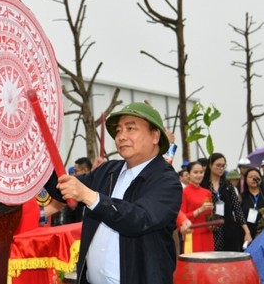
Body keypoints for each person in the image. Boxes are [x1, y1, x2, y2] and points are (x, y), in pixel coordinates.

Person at [45, 102, 181, 284]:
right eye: (118, 131)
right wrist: (41, 161)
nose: (121, 136)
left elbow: (139, 218)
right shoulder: (108, 171)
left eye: (131, 128)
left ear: (155, 136)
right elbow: (64, 189)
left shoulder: (166, 181)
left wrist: (89, 196)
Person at [200, 153, 252, 251]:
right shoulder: (203, 185)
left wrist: (246, 231)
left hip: (228, 228)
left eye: (223, 165)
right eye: (218, 165)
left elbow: (237, 209)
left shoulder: (228, 186)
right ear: (210, 165)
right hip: (209, 229)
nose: (221, 168)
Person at [180, 161, 214, 252]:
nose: (199, 175)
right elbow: (182, 217)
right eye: (195, 172)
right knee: (194, 263)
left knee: (208, 262)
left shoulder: (207, 192)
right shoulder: (184, 192)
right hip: (192, 234)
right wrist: (200, 209)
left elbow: (209, 216)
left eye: (201, 172)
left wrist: (212, 220)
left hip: (207, 233)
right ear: (188, 174)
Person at [240, 167, 264, 242]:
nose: (254, 179)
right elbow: (239, 217)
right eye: (251, 177)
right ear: (245, 180)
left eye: (256, 177)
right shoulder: (241, 197)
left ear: (261, 179)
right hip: (248, 236)